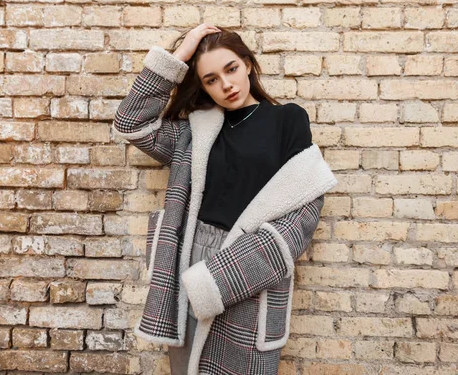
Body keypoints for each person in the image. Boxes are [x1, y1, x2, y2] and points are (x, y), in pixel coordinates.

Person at [113, 23, 337, 375]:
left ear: (247, 64)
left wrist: (218, 278)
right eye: (211, 79)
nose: (226, 85)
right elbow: (131, 123)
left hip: (252, 265)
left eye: (231, 69)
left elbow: (304, 210)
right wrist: (180, 57)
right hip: (191, 259)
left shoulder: (287, 120)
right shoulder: (195, 130)